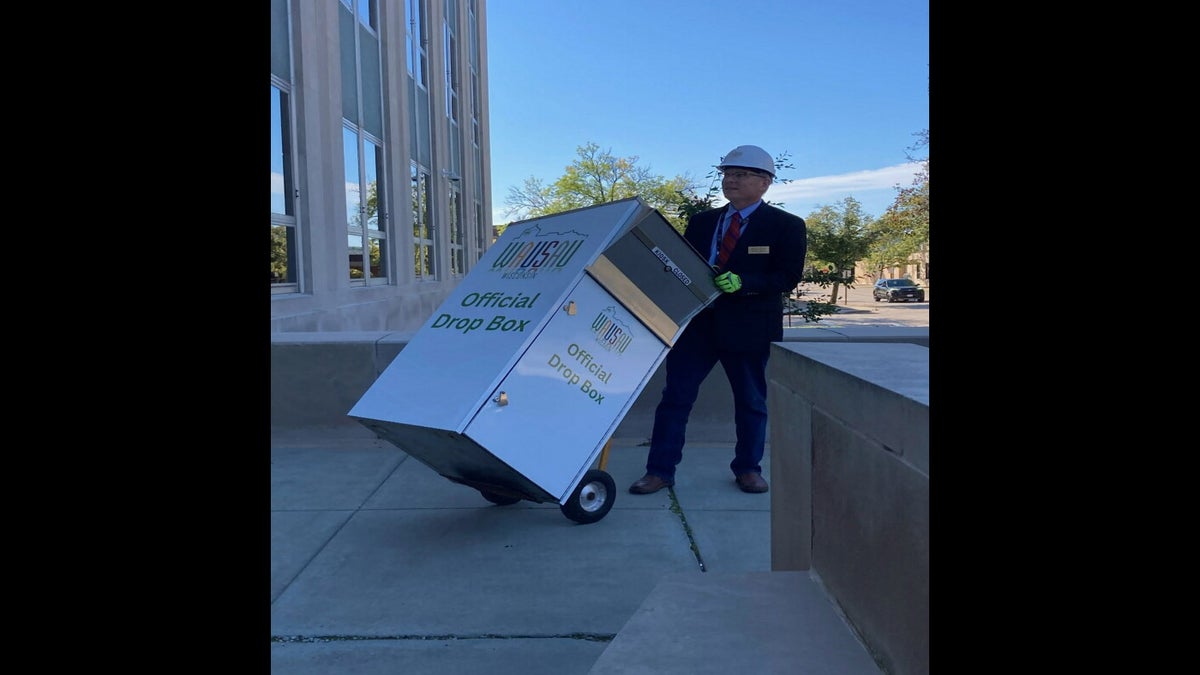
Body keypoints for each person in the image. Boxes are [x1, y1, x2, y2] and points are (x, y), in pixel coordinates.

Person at [629, 144, 807, 495]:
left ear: (765, 181)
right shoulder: (702, 222)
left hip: (749, 327)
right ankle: (660, 470)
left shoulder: (785, 226)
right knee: (675, 398)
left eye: (740, 174)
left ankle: (748, 469)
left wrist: (746, 283)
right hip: (698, 326)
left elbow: (788, 276)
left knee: (751, 402)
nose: (731, 180)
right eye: (727, 173)